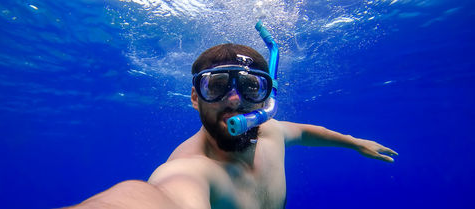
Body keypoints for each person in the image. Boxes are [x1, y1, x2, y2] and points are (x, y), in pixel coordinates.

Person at [66, 43, 397, 209]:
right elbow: (153, 197)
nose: (235, 100)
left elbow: (307, 132)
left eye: (251, 87)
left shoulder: (272, 132)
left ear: (266, 97)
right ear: (196, 97)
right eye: (218, 85)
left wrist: (354, 142)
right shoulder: (191, 168)